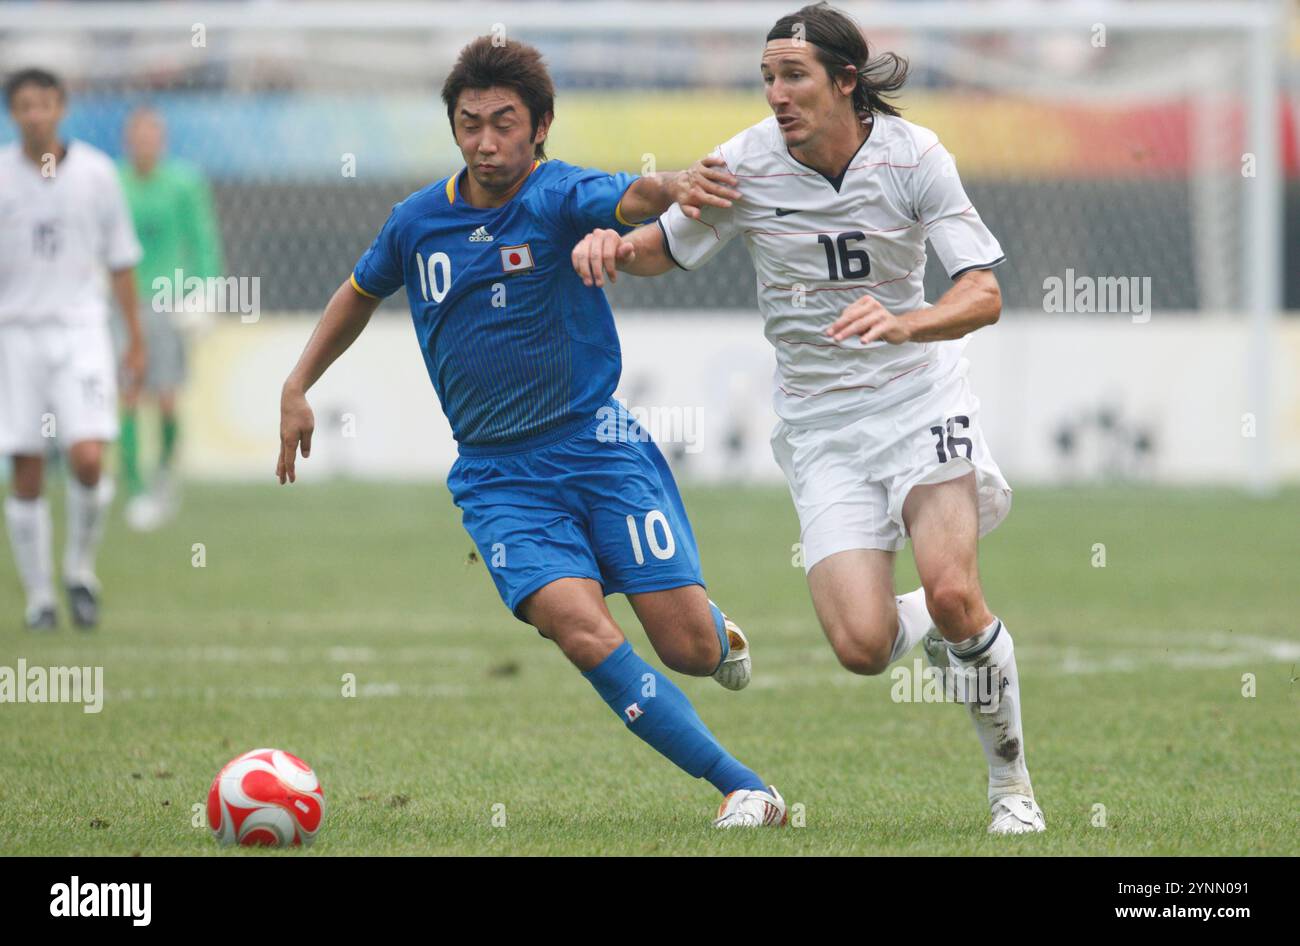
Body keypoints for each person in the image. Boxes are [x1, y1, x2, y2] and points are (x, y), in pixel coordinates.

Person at [276, 37, 785, 827]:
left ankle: (717, 635)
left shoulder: (556, 195)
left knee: (686, 649)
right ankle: (746, 787)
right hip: (498, 477)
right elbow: (358, 291)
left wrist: (677, 184)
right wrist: (298, 383)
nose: (486, 141)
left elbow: (631, 195)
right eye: (470, 123)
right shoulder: (416, 222)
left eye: (504, 123)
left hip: (599, 448)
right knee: (581, 631)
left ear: (540, 126)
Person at [571, 2, 1045, 834]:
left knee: (955, 590)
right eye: (767, 79)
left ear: (846, 82)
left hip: (918, 396)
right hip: (823, 426)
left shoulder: (915, 156)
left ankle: (1013, 792)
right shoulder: (744, 165)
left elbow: (985, 293)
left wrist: (907, 321)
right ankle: (937, 625)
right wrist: (608, 244)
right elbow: (661, 249)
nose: (776, 95)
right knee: (862, 648)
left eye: (793, 77)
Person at [0, 68, 145, 630]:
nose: (35, 113)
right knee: (27, 468)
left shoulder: (98, 175)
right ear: (14, 114)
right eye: (24, 106)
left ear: (61, 106)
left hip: (83, 331)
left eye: (44, 103)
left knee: (87, 458)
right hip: (16, 335)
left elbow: (121, 260)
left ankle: (79, 570)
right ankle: (39, 599)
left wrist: (133, 339)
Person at [117, 105, 224, 530]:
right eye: (138, 136)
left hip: (168, 301)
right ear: (128, 141)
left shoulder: (183, 184)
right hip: (122, 303)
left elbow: (201, 240)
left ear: (161, 141)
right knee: (127, 394)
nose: (145, 144)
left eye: (151, 136)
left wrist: (206, 291)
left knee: (165, 396)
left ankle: (163, 478)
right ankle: (134, 489)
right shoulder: (113, 183)